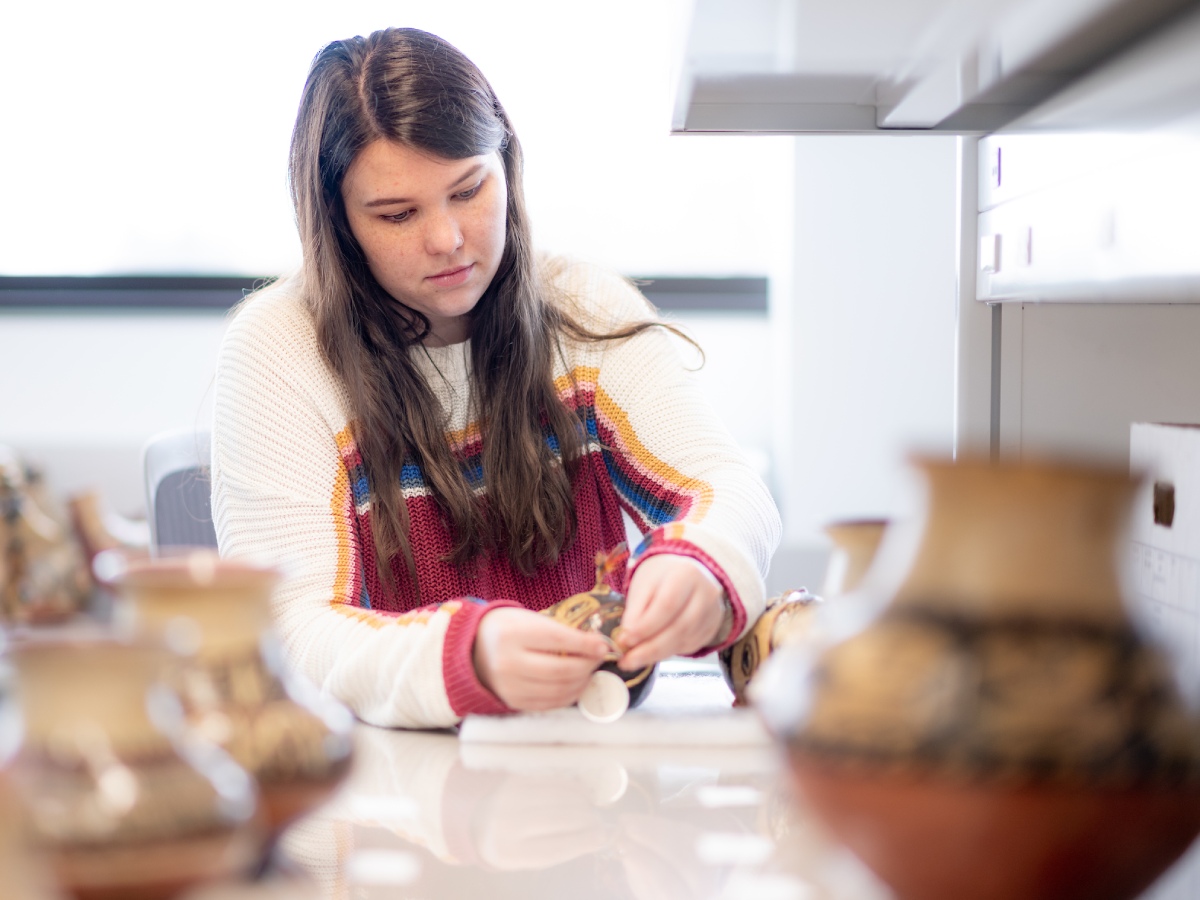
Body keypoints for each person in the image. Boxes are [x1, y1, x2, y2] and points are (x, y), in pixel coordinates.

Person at [210, 26, 781, 729]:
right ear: (337, 223)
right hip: (386, 805)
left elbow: (726, 487)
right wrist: (467, 659)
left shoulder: (584, 310)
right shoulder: (278, 350)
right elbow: (291, 630)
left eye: (468, 189)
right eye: (397, 214)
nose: (447, 239)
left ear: (506, 166)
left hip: (584, 784)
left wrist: (701, 561)